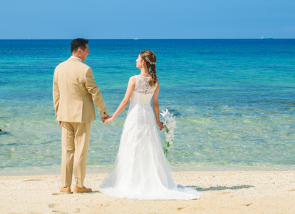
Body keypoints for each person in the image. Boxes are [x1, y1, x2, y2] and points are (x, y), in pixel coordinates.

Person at [99, 50, 201, 200]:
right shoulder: (155, 81)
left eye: (138, 59)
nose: (135, 60)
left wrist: (112, 117)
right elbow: (155, 104)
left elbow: (125, 101)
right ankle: (149, 181)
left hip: (135, 116)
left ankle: (132, 182)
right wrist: (158, 121)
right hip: (147, 116)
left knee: (132, 146)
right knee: (148, 148)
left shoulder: (133, 79)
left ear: (143, 62)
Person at [52, 38, 109, 194]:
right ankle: (79, 185)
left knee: (67, 151)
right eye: (86, 50)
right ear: (79, 51)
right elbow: (95, 92)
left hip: (64, 115)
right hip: (82, 116)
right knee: (81, 151)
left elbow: (56, 94)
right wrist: (103, 112)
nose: (88, 53)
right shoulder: (85, 69)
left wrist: (58, 114)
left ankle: (65, 186)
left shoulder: (59, 68)